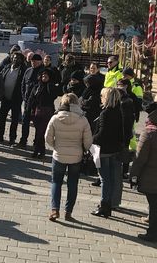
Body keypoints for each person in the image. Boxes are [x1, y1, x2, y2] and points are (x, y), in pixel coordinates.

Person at [45, 93, 93, 221]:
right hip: (76, 157)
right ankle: (68, 212)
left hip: (59, 155)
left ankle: (55, 210)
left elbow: (47, 138)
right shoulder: (83, 120)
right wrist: (83, 149)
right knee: (72, 184)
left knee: (56, 182)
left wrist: (55, 146)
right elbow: (88, 142)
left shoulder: (55, 118)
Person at [91, 87, 124, 218]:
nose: (100, 98)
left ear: (106, 98)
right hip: (115, 150)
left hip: (103, 150)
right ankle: (109, 205)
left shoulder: (105, 113)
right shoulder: (118, 111)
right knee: (112, 179)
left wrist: (90, 139)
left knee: (105, 179)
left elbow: (102, 133)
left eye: (102, 96)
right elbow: (121, 132)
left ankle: (104, 206)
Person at [130, 103, 157, 242]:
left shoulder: (149, 133)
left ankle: (152, 234)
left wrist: (133, 175)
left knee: (154, 206)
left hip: (152, 177)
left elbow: (139, 159)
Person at [0, 52, 27, 144]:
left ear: (21, 60)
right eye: (14, 57)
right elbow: (0, 78)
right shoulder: (7, 67)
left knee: (14, 120)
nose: (15, 59)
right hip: (5, 98)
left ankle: (12, 138)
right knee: (2, 118)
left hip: (16, 100)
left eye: (18, 58)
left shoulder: (23, 71)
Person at [29, 69, 58, 158]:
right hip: (38, 111)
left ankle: (37, 151)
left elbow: (54, 95)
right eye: (43, 76)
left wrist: (50, 85)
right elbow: (32, 98)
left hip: (47, 111)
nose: (44, 78)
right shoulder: (37, 86)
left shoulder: (51, 86)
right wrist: (30, 110)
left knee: (41, 132)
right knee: (38, 131)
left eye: (46, 76)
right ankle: (41, 151)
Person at [19, 54, 44, 148]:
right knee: (25, 122)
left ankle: (36, 143)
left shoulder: (43, 72)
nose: (33, 63)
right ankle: (23, 140)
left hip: (37, 104)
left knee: (37, 124)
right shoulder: (28, 70)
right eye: (32, 61)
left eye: (35, 61)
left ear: (40, 62)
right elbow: (23, 84)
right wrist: (24, 97)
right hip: (27, 102)